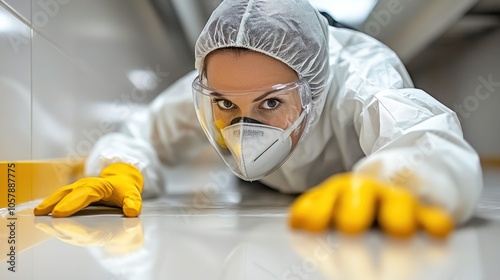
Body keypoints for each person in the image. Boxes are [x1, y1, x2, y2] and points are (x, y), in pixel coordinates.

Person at [34, 0, 482, 237]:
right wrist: (121, 169)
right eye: (226, 105)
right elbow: (142, 133)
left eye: (270, 103)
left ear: (315, 89)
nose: (244, 128)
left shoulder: (363, 78)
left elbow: (426, 138)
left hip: (351, 183)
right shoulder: (218, 81)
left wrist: (399, 179)